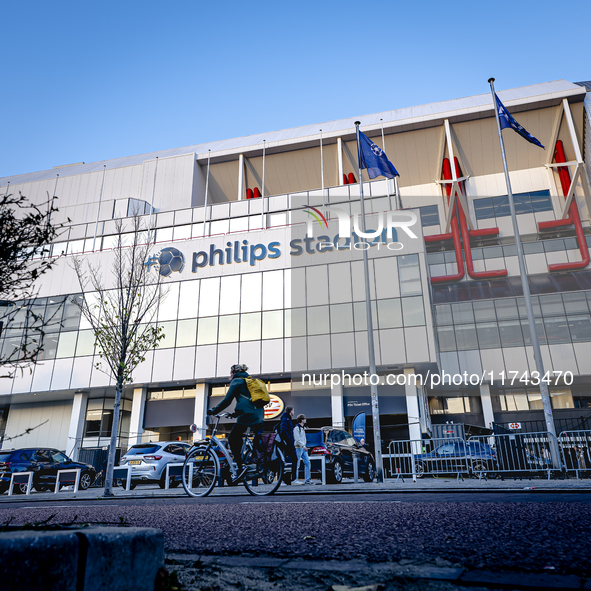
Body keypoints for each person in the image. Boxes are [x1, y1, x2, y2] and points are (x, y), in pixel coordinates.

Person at [208, 364, 263, 483]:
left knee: (232, 439)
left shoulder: (236, 381)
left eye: (230, 373)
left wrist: (214, 411)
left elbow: (227, 400)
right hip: (258, 415)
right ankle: (246, 460)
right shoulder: (249, 380)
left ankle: (241, 466)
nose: (230, 376)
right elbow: (247, 401)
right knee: (238, 437)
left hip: (247, 415)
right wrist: (235, 414)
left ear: (233, 372)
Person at [293, 414, 316, 485]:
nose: (305, 420)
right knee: (297, 464)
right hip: (298, 448)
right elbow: (297, 439)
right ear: (302, 420)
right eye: (304, 418)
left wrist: (303, 446)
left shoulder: (302, 428)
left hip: (302, 448)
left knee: (307, 462)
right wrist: (303, 446)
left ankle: (307, 479)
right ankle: (295, 479)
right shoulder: (297, 428)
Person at [278, 405, 297, 484]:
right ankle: (293, 479)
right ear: (290, 411)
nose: (294, 412)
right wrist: (289, 441)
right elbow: (283, 431)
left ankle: (282, 480)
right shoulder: (286, 418)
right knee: (294, 459)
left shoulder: (286, 418)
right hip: (287, 444)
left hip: (287, 444)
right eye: (293, 410)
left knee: (282, 461)